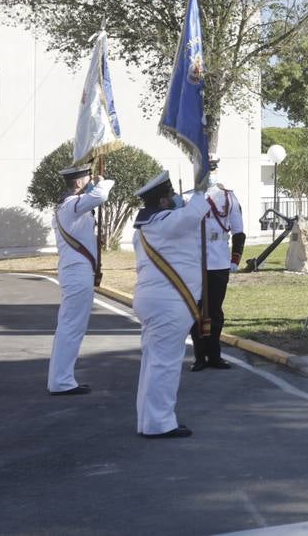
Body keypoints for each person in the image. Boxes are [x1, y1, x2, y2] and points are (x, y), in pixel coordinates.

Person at [131, 171, 221, 438]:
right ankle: (159, 423)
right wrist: (203, 187)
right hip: (168, 301)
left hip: (156, 300)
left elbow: (188, 219)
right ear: (161, 202)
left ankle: (148, 419)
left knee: (153, 361)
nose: (175, 199)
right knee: (165, 364)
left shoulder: (149, 226)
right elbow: (192, 215)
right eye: (170, 195)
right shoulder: (165, 222)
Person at [46, 162, 114, 396]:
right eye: (86, 179)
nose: (90, 182)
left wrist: (93, 184)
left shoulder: (71, 206)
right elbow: (101, 195)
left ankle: (61, 379)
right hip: (76, 272)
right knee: (71, 327)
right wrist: (104, 181)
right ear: (78, 183)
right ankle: (61, 382)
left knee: (70, 326)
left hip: (77, 270)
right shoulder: (71, 205)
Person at [191, 154, 244, 371]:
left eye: (212, 168)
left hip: (220, 262)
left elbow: (239, 232)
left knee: (215, 312)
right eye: (206, 169)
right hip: (195, 263)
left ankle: (215, 356)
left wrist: (235, 259)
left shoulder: (229, 198)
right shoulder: (189, 199)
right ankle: (199, 358)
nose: (210, 173)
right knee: (197, 311)